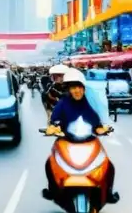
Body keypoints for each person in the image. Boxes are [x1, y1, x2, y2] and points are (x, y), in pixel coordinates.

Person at [44, 70, 118, 202]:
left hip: (89, 139)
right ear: (69, 89)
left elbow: (98, 120)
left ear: (84, 88)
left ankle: (108, 193)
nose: (76, 90)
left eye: (79, 87)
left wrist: (103, 127)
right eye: (73, 87)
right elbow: (54, 119)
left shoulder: (91, 102)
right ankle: (52, 190)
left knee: (109, 165)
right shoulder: (63, 103)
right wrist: (53, 127)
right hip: (66, 139)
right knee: (49, 163)